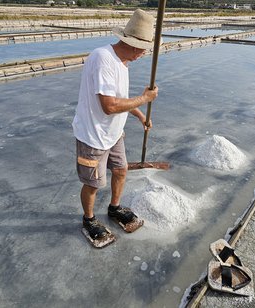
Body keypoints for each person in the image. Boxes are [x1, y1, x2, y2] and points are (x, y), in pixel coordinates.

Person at [72, 9, 159, 242]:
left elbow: (121, 97)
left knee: (121, 170)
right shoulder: (103, 58)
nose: (143, 54)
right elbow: (109, 106)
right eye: (143, 50)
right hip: (93, 135)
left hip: (113, 133)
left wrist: (140, 115)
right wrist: (144, 99)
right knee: (93, 183)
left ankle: (114, 208)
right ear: (131, 44)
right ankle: (89, 219)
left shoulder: (123, 63)